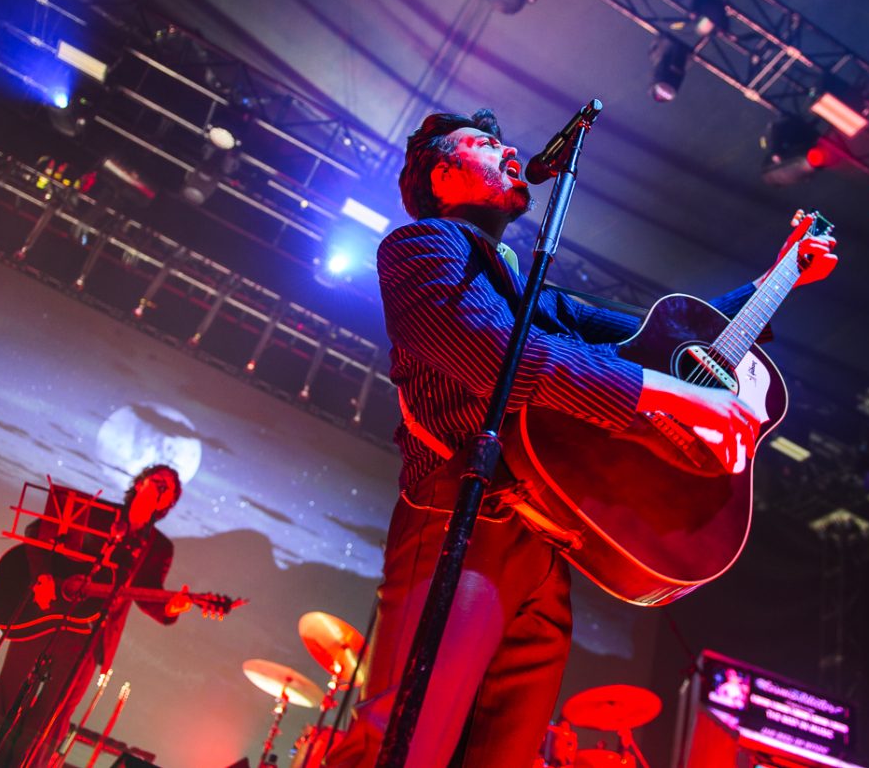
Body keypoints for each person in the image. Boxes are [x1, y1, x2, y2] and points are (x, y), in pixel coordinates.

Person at [327, 109, 837, 768]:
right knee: (405, 741)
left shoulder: (534, 296)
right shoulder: (421, 246)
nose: (511, 150)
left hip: (544, 543)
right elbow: (490, 353)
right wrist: (664, 396)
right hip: (463, 516)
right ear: (444, 176)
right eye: (486, 144)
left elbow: (671, 342)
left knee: (501, 756)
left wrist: (779, 278)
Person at [0, 464, 191, 768]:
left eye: (168, 489)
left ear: (169, 502)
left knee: (52, 716)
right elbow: (36, 532)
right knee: (8, 698)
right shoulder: (96, 511)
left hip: (90, 635)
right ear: (139, 483)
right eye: (156, 480)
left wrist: (171, 606)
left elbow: (148, 592)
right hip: (44, 613)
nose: (160, 488)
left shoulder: (158, 547)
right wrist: (42, 577)